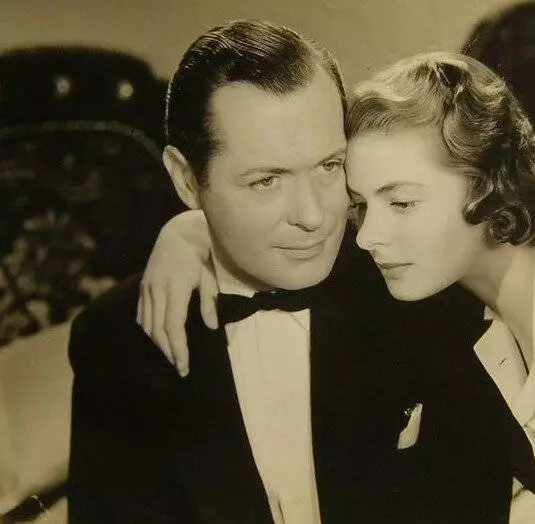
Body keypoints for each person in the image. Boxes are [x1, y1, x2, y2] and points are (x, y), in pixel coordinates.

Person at [69, 21, 519, 523]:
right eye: (267, 181)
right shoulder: (116, 345)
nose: (313, 215)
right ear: (186, 180)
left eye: (329, 166)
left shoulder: (420, 282)